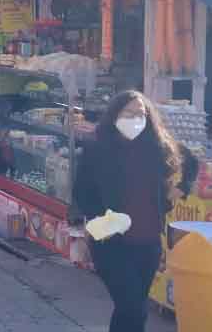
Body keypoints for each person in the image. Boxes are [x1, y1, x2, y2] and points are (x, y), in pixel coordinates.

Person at [74, 90, 198, 332]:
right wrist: (102, 220)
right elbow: (81, 192)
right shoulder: (98, 148)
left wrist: (181, 189)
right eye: (128, 113)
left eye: (141, 114)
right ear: (115, 115)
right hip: (111, 244)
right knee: (132, 305)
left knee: (132, 310)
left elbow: (191, 161)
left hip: (148, 242)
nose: (135, 119)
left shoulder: (157, 145)